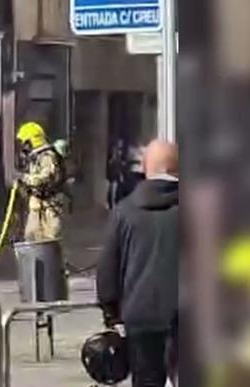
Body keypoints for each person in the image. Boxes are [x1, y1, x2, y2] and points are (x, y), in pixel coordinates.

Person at [97, 139, 179, 387]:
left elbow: (108, 269)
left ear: (144, 167)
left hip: (140, 316)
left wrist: (112, 314)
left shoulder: (125, 211)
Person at [16, 121, 66, 242]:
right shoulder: (34, 157)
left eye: (25, 143)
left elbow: (44, 178)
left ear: (33, 140)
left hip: (49, 206)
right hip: (36, 205)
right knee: (31, 236)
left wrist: (25, 178)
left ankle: (51, 261)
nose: (24, 147)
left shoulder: (47, 157)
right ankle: (34, 260)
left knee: (50, 239)